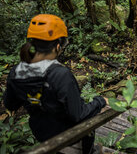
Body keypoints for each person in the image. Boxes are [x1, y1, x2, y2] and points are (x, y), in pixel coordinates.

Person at [3, 14, 107, 154]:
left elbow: (10, 104)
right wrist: (100, 101)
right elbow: (78, 115)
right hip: (68, 136)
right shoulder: (60, 75)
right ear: (58, 46)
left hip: (41, 133)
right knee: (93, 113)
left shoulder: (16, 72)